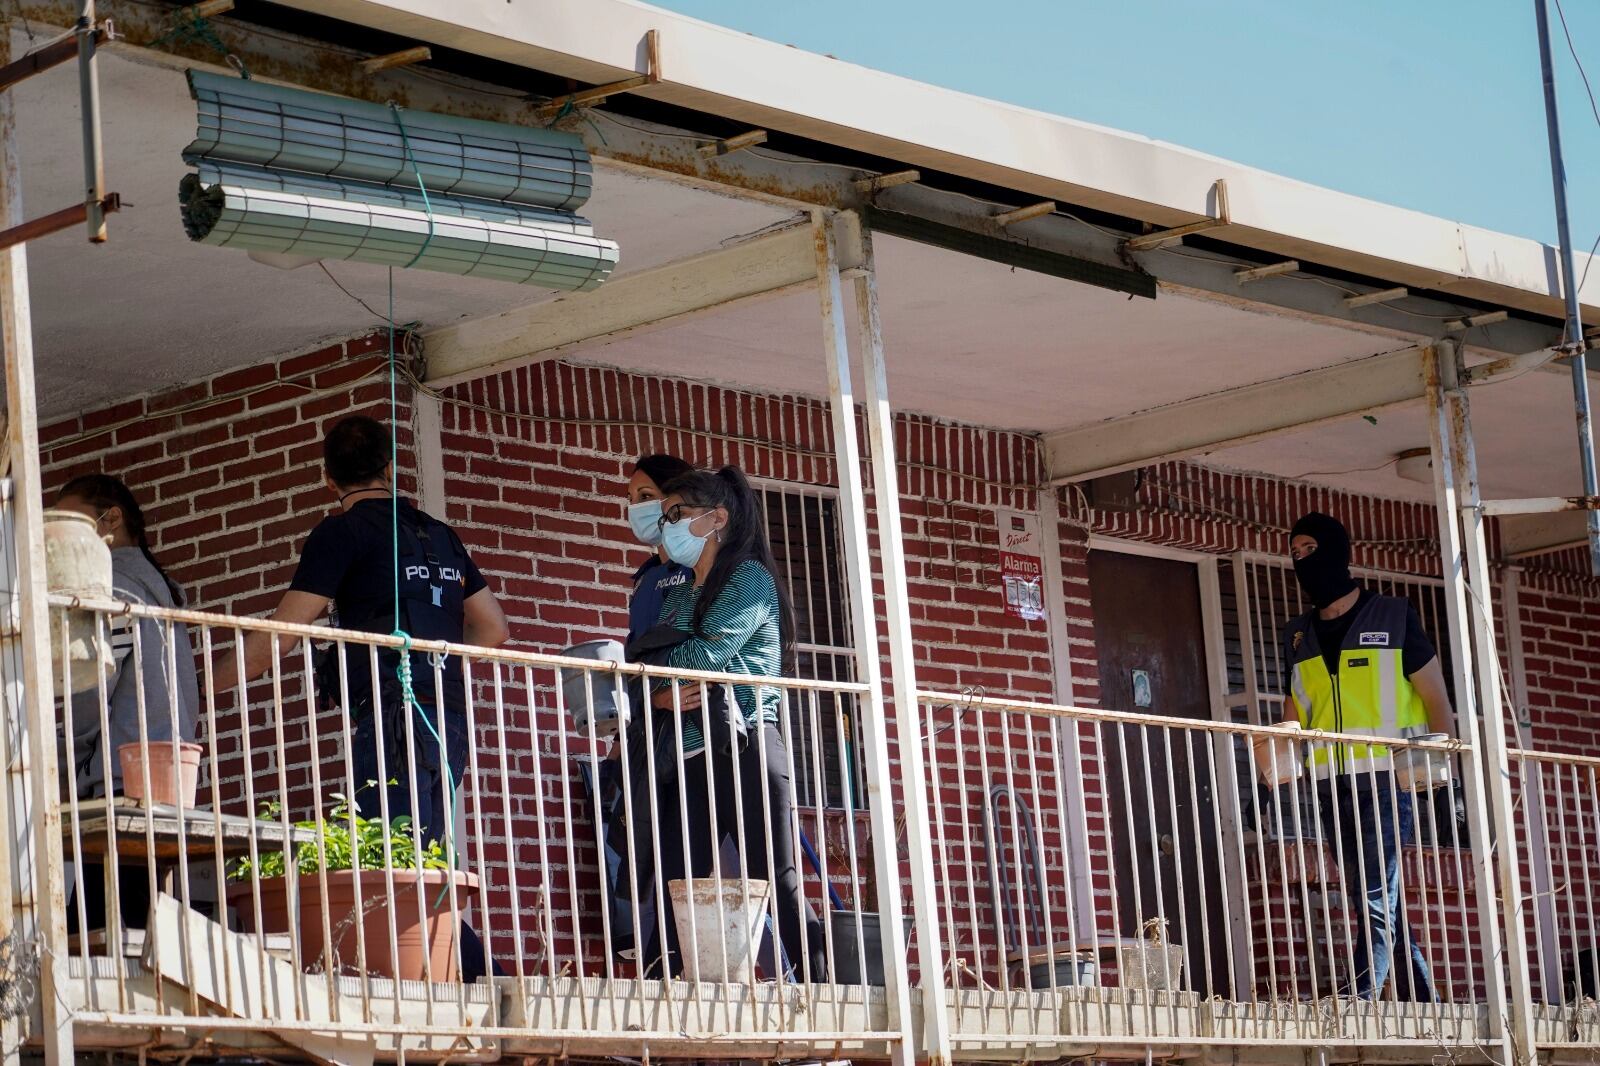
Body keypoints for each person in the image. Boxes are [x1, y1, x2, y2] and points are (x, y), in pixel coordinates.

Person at [211, 415, 509, 851]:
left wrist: (198, 689)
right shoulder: (441, 535)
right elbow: (494, 629)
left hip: (392, 715)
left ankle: (446, 923)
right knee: (421, 854)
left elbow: (277, 638)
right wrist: (435, 662)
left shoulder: (340, 533)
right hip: (448, 716)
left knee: (389, 861)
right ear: (390, 467)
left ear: (328, 479)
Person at [632, 465, 825, 981]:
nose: (667, 524)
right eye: (666, 515)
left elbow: (703, 654)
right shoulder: (680, 591)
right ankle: (658, 996)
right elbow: (645, 669)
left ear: (717, 519)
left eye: (678, 514)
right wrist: (658, 695)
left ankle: (825, 988)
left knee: (775, 880)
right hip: (692, 757)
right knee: (677, 881)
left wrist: (657, 674)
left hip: (747, 749)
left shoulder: (748, 578)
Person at [1280, 511, 1449, 1002]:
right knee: (1370, 894)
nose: (1301, 561)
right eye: (1294, 553)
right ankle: (1423, 1000)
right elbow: (1292, 714)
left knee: (1376, 888)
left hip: (1388, 777)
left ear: (1337, 551)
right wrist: (1270, 776)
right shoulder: (1296, 636)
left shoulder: (1393, 616)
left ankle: (1362, 994)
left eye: (1309, 549)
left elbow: (1437, 699)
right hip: (1330, 782)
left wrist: (1444, 778)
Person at [54, 474, 201, 928]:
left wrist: (69, 759)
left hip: (121, 780)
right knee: (138, 920)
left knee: (100, 932)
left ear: (110, 518)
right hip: (168, 777)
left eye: (74, 523)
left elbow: (92, 686)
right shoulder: (159, 587)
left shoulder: (112, 586)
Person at [625, 454, 695, 644]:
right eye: (630, 499)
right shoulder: (645, 577)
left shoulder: (701, 564)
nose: (634, 508)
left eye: (646, 496)